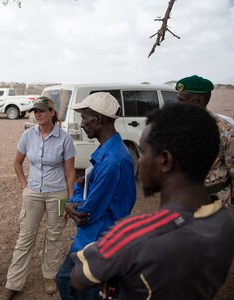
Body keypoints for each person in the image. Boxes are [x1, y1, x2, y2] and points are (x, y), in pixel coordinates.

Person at [70, 103, 234, 299]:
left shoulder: (133, 236)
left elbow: (78, 278)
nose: (139, 161)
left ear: (164, 160)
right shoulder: (223, 220)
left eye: (143, 152)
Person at [56, 92, 137, 300]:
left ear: (99, 119)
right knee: (65, 280)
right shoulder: (113, 152)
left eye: (84, 117)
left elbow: (84, 215)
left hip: (97, 243)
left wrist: (72, 197)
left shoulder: (112, 160)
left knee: (80, 289)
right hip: (98, 238)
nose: (82, 124)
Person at [0, 96, 77, 300]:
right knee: (25, 238)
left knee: (54, 235)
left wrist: (70, 199)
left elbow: (70, 173)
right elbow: (17, 163)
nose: (38, 114)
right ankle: (13, 283)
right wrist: (25, 186)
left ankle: (49, 275)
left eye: (42, 110)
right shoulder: (28, 135)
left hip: (57, 194)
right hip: (33, 192)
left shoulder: (64, 138)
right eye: (35, 111)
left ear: (52, 112)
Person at [176, 75, 233, 206]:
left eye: (181, 100)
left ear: (199, 101)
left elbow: (233, 168)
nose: (177, 104)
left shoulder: (225, 130)